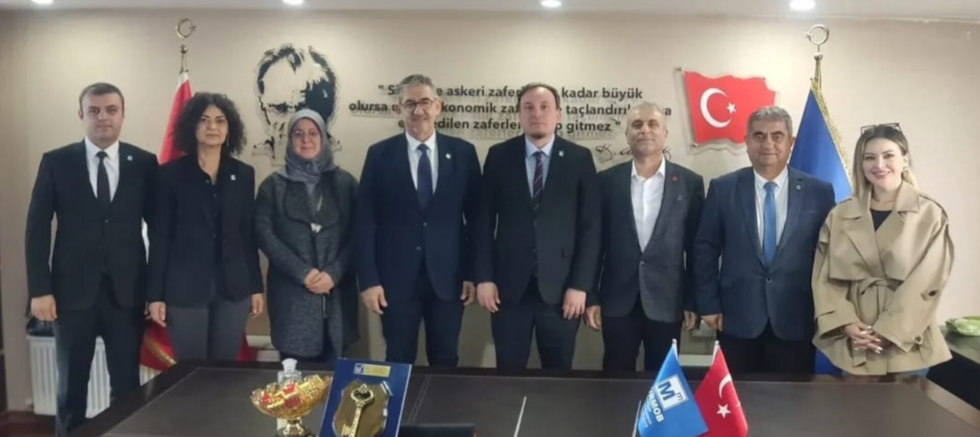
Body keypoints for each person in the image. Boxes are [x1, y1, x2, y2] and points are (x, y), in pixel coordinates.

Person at [25, 83, 158, 437]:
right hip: (70, 296)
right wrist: (39, 289)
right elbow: (37, 228)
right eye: (94, 110)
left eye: (111, 110)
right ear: (81, 114)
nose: (103, 117)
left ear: (123, 114)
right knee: (71, 389)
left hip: (126, 294)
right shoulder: (56, 162)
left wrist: (155, 291)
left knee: (127, 389)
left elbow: (159, 231)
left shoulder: (144, 163)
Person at [694, 106, 835, 375]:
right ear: (747, 141)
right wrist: (708, 304)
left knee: (793, 398)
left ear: (791, 142)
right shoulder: (723, 188)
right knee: (737, 398)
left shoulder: (819, 192)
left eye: (777, 136)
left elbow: (831, 256)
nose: (767, 143)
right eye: (758, 136)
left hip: (796, 317)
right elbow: (705, 249)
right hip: (736, 318)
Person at [354, 74, 481, 367]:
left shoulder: (463, 153)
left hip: (449, 279)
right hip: (394, 281)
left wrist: (472, 273)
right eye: (410, 104)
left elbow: (476, 220)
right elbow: (365, 222)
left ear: (438, 106)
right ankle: (401, 402)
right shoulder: (379, 154)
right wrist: (369, 281)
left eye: (425, 102)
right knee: (398, 359)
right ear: (398, 109)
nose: (418, 110)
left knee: (446, 358)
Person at [475, 83, 601, 370]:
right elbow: (483, 222)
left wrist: (580, 285)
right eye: (528, 107)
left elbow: (590, 228)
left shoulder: (579, 158)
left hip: (562, 291)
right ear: (519, 114)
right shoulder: (499, 156)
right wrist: (484, 277)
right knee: (508, 373)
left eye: (545, 107)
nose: (537, 114)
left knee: (558, 375)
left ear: (558, 114)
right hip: (507, 290)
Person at [812, 124, 953, 376]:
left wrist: (890, 331)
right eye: (869, 158)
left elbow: (927, 284)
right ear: (861, 164)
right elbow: (824, 278)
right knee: (850, 403)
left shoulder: (929, 214)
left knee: (907, 403)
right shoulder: (840, 214)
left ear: (905, 160)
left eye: (888, 155)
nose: (879, 164)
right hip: (854, 340)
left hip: (907, 340)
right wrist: (845, 322)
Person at [147, 92, 265, 361]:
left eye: (220, 121)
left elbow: (247, 235)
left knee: (224, 372)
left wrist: (255, 286)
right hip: (185, 289)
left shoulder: (243, 174)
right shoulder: (169, 175)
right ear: (192, 126)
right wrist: (155, 295)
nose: (213, 126)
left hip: (233, 288)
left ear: (229, 129)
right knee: (191, 372)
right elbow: (160, 237)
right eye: (204, 120)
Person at [587, 102, 704, 372]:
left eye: (653, 124)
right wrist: (591, 296)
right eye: (637, 125)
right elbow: (594, 244)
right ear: (627, 134)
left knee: (663, 380)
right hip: (617, 299)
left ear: (665, 133)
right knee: (615, 377)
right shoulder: (606, 181)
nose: (645, 130)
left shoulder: (689, 183)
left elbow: (696, 249)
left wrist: (692, 300)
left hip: (668, 300)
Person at [255, 109, 359, 363]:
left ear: (323, 138)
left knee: (336, 378)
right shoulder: (273, 186)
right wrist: (303, 273)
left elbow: (359, 235)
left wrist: (334, 273)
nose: (306, 140)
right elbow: (264, 234)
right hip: (292, 298)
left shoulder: (346, 183)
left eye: (313, 133)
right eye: (298, 134)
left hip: (337, 295)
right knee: (295, 383)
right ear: (289, 139)